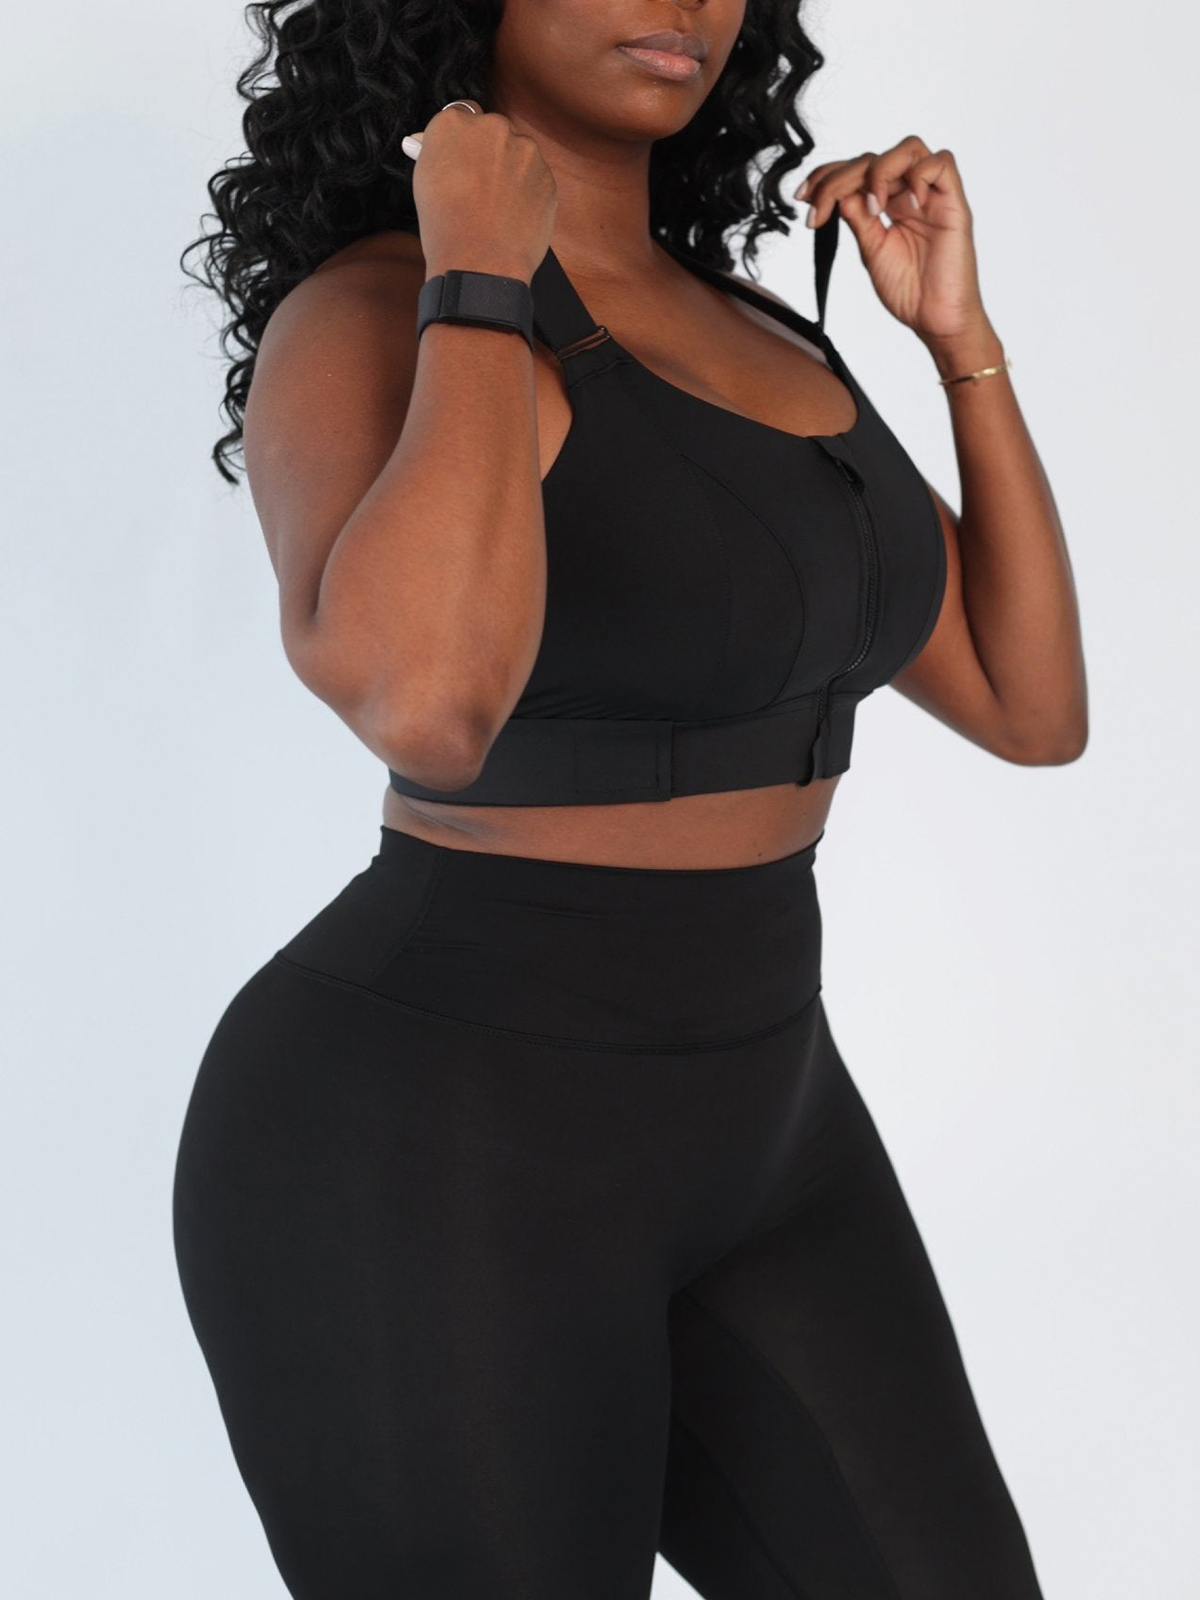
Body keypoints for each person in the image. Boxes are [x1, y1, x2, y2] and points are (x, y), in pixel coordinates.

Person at [172, 3, 1086, 1597]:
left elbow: (1029, 704)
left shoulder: (750, 324)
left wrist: (961, 345)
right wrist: (476, 270)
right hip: (431, 1147)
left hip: (771, 1131)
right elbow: (429, 707)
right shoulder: (373, 314)